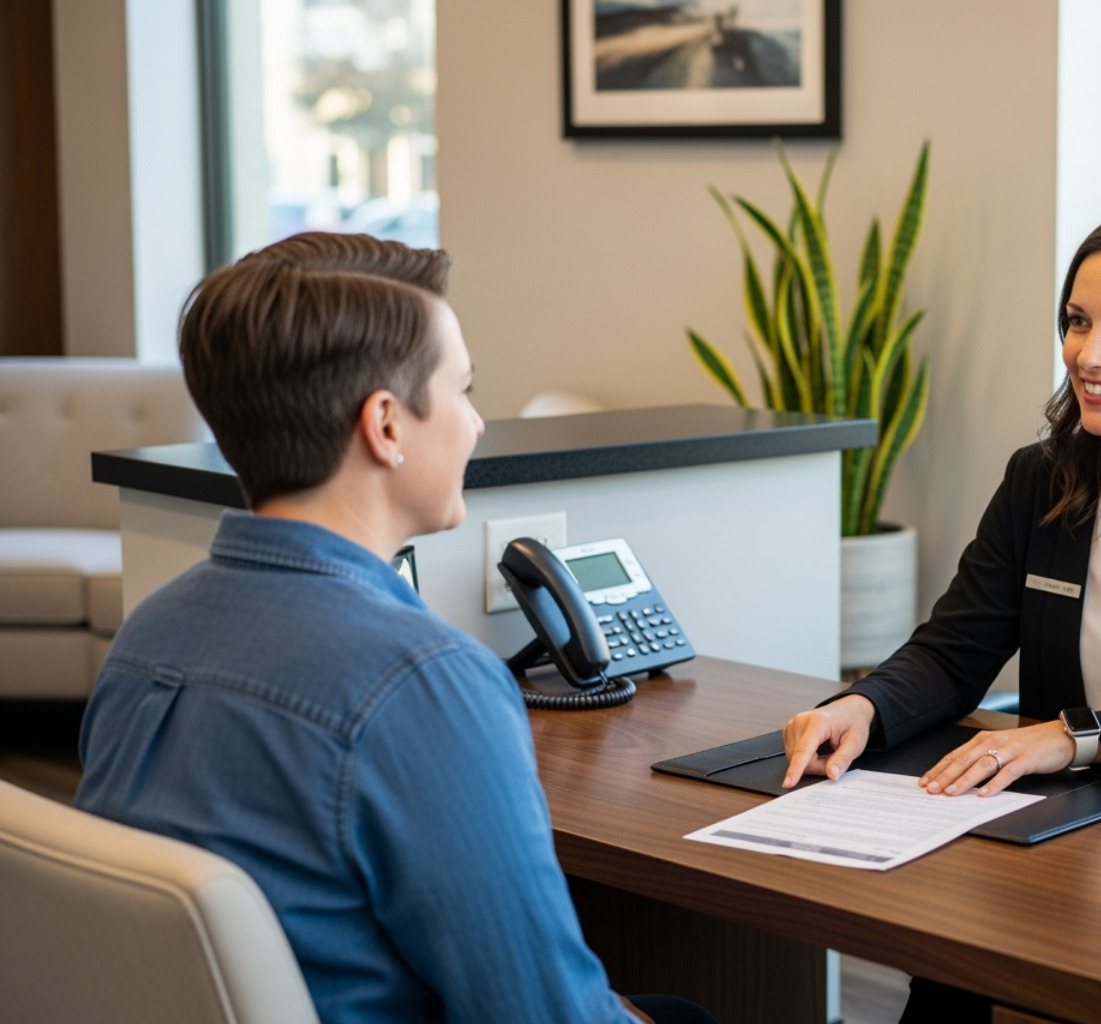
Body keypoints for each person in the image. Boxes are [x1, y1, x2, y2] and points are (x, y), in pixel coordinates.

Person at [74, 233, 716, 1024]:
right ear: (386, 424)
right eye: (465, 392)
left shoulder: (148, 634)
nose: (477, 425)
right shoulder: (426, 682)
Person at [781, 206, 1101, 1020]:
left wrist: (1071, 737)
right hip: (1059, 847)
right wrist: (861, 703)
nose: (1087, 355)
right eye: (1077, 321)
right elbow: (954, 653)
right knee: (946, 975)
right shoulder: (1043, 480)